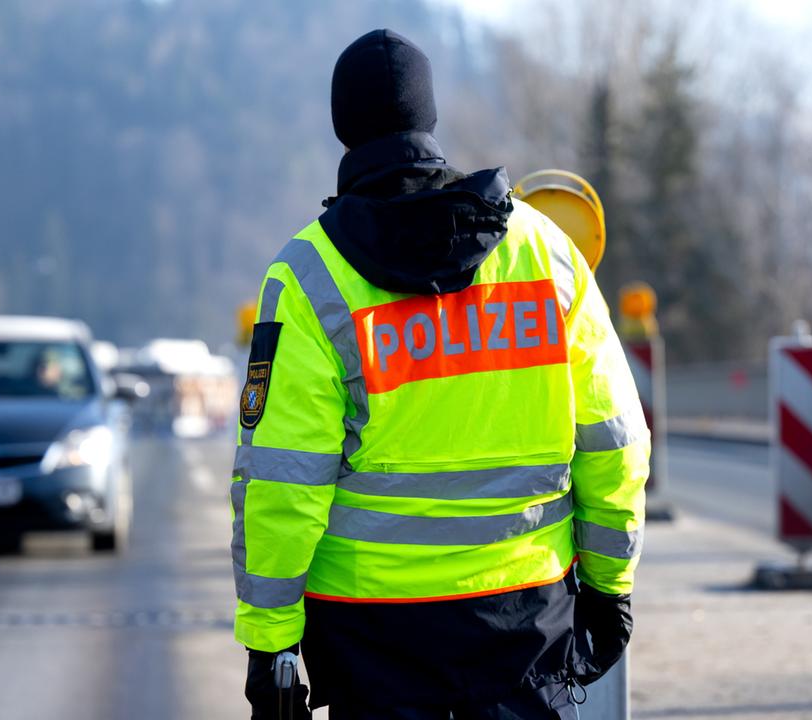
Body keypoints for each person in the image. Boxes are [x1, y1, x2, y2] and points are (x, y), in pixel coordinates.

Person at [231, 28, 649, 720]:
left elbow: (283, 480)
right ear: (429, 118)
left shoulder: (308, 278)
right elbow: (615, 440)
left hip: (372, 641)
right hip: (526, 626)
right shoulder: (547, 257)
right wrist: (609, 587)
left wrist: (271, 648)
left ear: (343, 126)